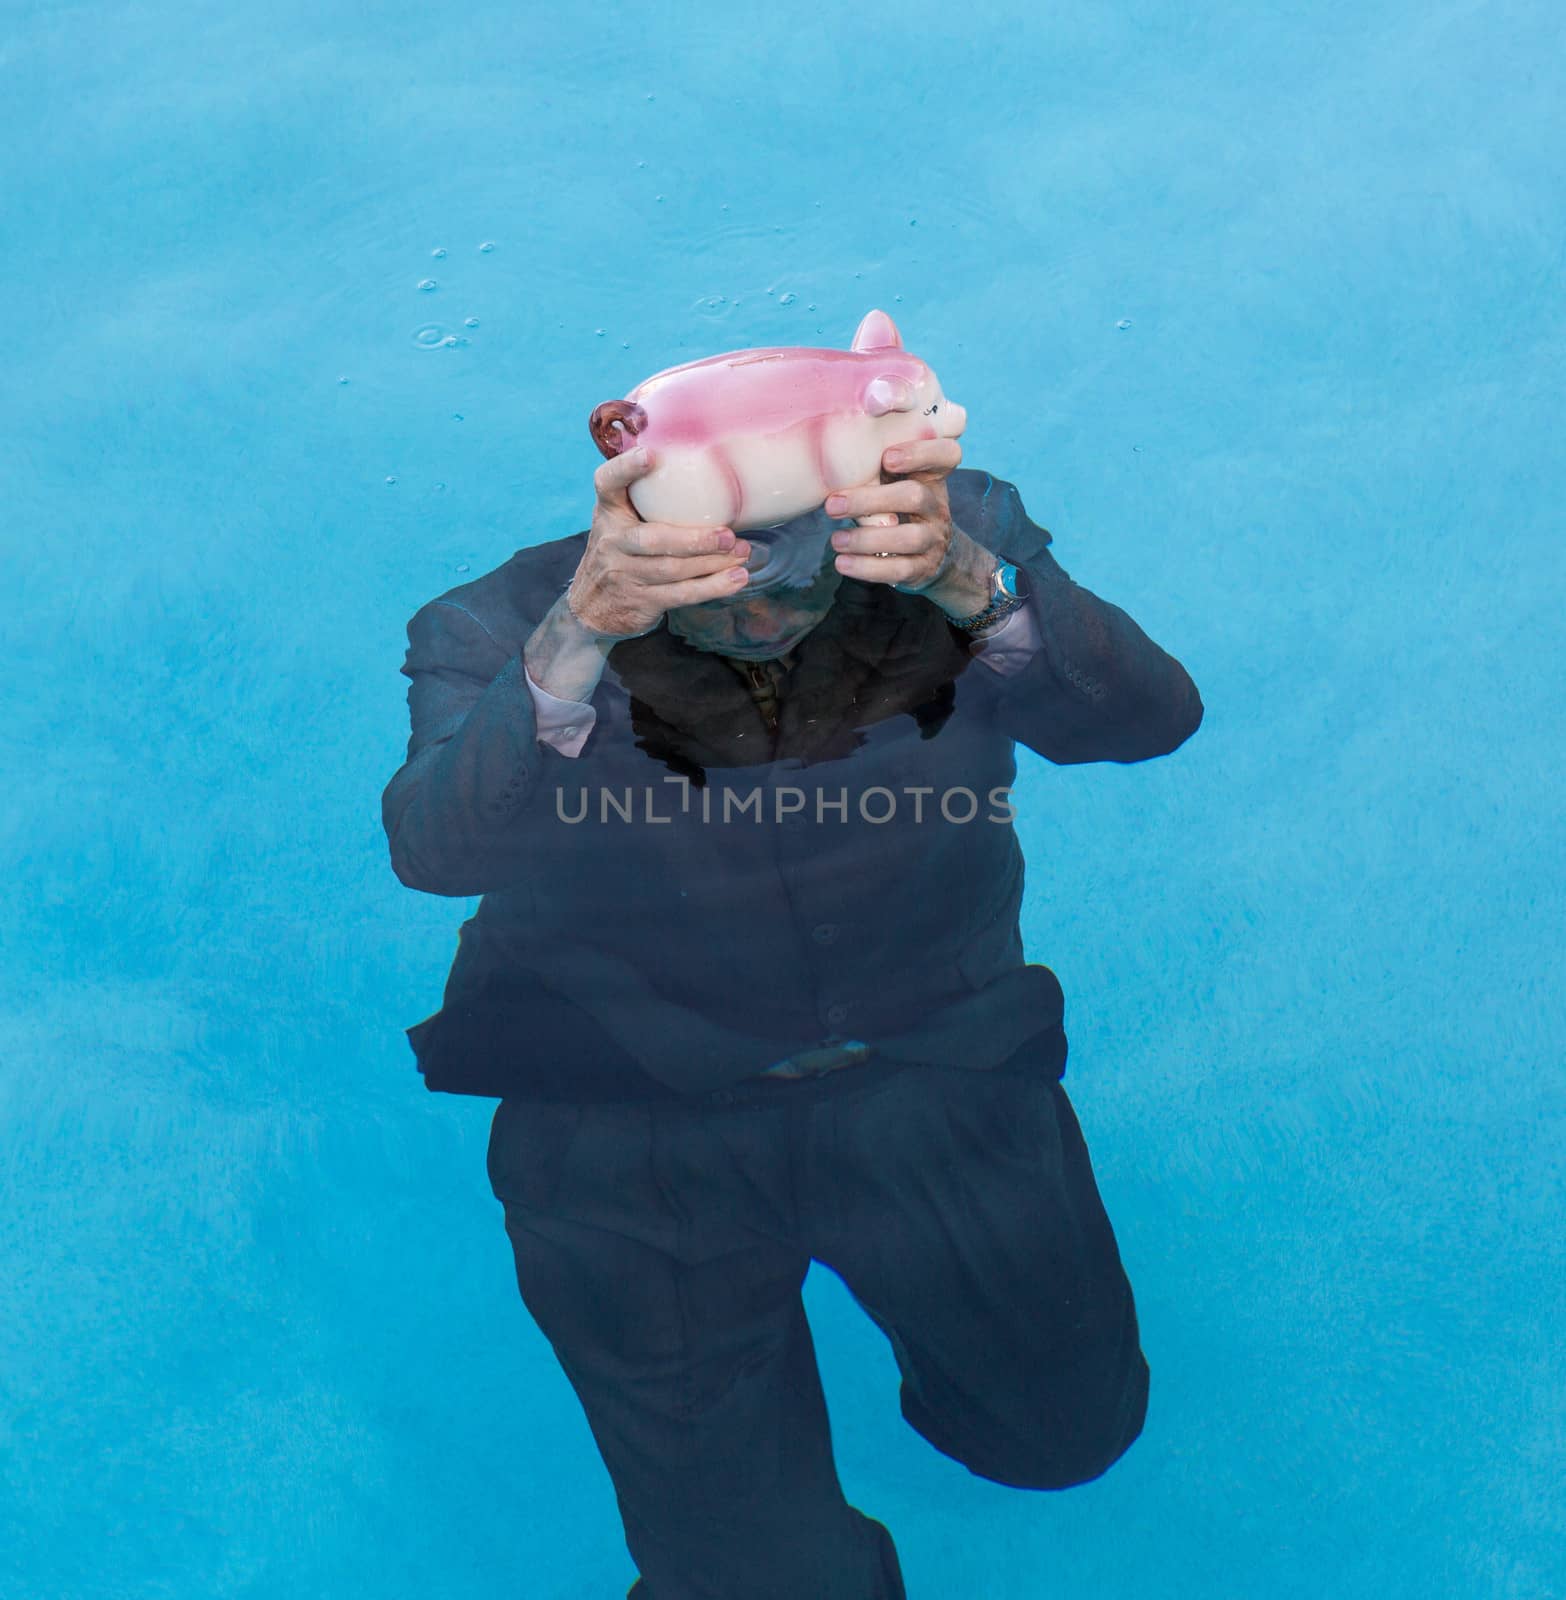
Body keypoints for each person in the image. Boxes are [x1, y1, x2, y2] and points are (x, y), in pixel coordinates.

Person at [381, 435, 1203, 1599]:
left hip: (932, 1067)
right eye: (719, 598)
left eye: (793, 586)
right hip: (630, 1124)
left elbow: (1152, 718)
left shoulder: (938, 534)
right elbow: (435, 850)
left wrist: (977, 590)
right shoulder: (495, 621)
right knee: (757, 1586)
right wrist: (573, 643)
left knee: (1069, 1432)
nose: (764, 625)